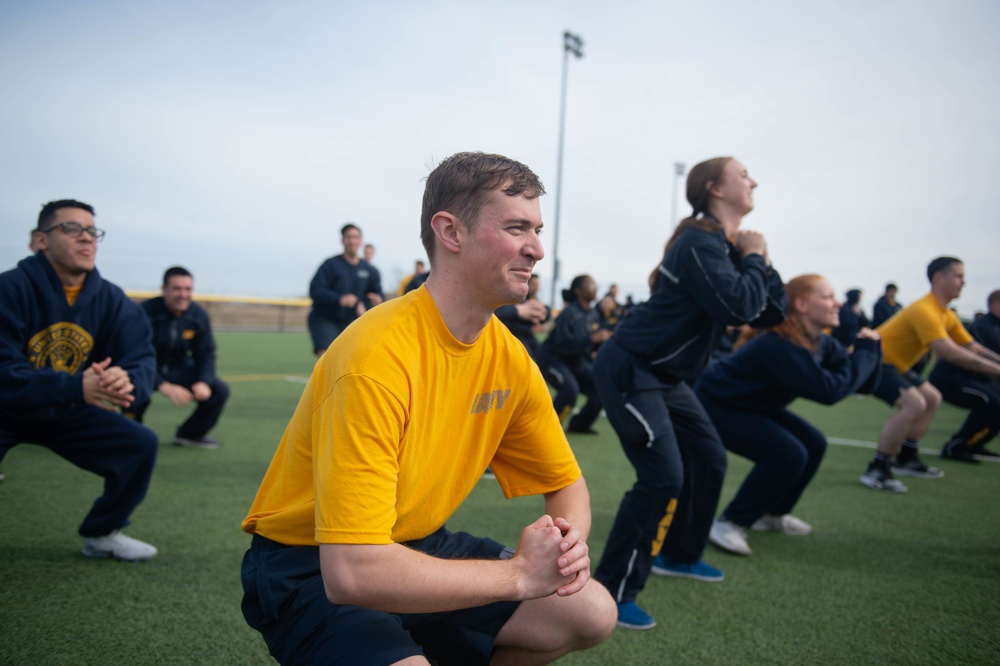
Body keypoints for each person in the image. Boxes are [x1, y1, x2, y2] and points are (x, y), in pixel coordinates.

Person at [239, 152, 616, 665]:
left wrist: (566, 543)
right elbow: (352, 570)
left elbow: (566, 483)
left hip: (416, 544)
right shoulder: (375, 357)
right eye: (516, 227)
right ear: (451, 232)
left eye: (537, 229)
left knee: (591, 611)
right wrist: (519, 575)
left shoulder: (507, 355)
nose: (536, 248)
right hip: (310, 562)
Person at [591, 157, 786, 630]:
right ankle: (610, 592)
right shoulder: (699, 243)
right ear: (715, 188)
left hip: (667, 378)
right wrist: (755, 258)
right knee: (662, 478)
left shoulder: (725, 247)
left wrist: (756, 258)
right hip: (632, 369)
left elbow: (769, 311)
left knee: (710, 458)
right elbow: (739, 304)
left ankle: (678, 555)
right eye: (744, 175)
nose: (754, 180)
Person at [0, 199, 159, 561]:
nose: (86, 238)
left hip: (64, 409)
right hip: (7, 409)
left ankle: (102, 532)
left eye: (92, 231)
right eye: (72, 228)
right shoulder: (9, 288)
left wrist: (127, 380)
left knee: (140, 444)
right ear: (41, 240)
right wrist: (75, 386)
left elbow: (142, 357)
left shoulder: (111, 298)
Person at [697, 275, 882, 556]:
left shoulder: (819, 342)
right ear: (802, 305)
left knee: (814, 443)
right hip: (714, 406)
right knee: (788, 453)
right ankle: (729, 523)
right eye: (828, 297)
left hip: (751, 406)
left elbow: (861, 383)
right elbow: (828, 391)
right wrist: (865, 355)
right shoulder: (780, 343)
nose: (838, 303)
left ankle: (771, 514)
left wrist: (871, 350)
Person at [864, 257, 1000, 491]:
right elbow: (950, 352)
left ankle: (906, 458)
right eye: (958, 276)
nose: (963, 282)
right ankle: (877, 468)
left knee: (932, 398)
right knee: (913, 403)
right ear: (939, 278)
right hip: (872, 361)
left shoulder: (945, 314)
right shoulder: (924, 309)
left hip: (895, 365)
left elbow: (971, 347)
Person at [129, 266, 230, 449]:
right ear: (164, 289)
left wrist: (203, 381)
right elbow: (136, 354)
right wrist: (162, 384)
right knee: (133, 387)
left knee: (219, 390)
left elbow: (206, 353)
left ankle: (190, 434)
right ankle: (130, 434)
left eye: (188, 289)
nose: (183, 294)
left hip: (177, 367)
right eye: (177, 288)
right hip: (145, 366)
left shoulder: (197, 315)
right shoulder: (144, 313)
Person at [928, 288, 1000, 462]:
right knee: (991, 401)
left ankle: (975, 443)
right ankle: (956, 446)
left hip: (972, 378)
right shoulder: (985, 327)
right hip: (950, 379)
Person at [538, 275, 611, 435]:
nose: (595, 288)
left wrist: (602, 340)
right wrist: (591, 339)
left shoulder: (592, 313)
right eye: (591, 285)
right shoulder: (568, 313)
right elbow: (563, 344)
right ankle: (546, 431)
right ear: (578, 291)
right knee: (569, 390)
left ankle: (579, 425)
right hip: (553, 359)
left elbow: (591, 342)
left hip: (574, 361)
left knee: (600, 388)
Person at [307, 223, 384, 356]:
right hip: (326, 319)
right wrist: (339, 299)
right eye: (348, 237)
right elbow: (315, 290)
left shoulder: (369, 270)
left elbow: (377, 294)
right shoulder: (330, 265)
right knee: (328, 359)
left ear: (360, 241)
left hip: (352, 322)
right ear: (342, 240)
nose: (352, 241)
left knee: (353, 361)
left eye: (355, 237)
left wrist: (377, 301)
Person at [495, 272, 550, 360]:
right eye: (534, 284)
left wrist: (544, 316)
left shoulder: (536, 301)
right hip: (518, 337)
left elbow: (547, 317)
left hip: (531, 337)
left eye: (538, 285)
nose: (536, 287)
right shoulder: (516, 299)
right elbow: (507, 320)